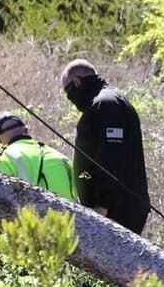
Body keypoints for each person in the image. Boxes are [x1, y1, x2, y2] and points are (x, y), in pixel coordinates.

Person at [59, 59, 150, 234]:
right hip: (110, 210)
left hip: (116, 211)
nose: (69, 98)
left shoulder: (107, 104)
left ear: (77, 82)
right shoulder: (101, 104)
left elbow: (112, 156)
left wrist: (103, 204)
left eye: (68, 91)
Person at [0, 110, 77, 202]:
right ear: (26, 129)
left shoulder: (2, 159)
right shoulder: (56, 154)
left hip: (32, 210)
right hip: (73, 210)